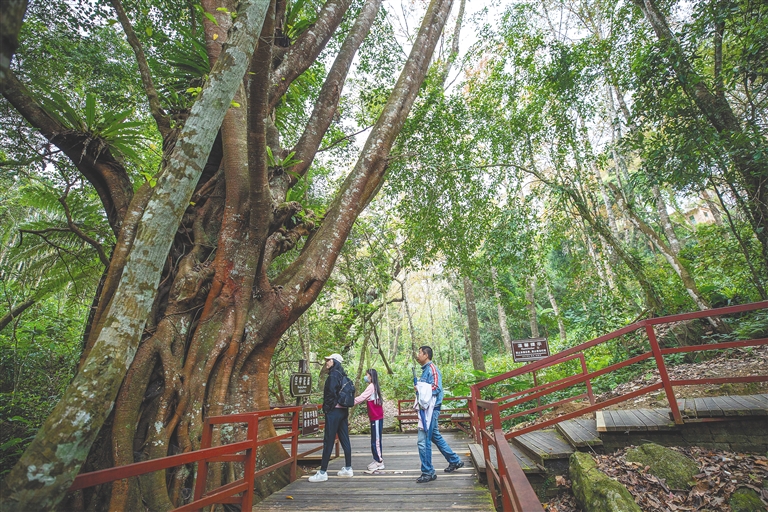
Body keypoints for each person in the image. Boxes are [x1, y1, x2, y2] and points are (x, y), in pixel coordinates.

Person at [414, 345, 464, 483]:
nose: (417, 355)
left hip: (431, 410)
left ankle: (428, 472)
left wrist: (420, 388)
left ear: (426, 355)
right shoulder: (425, 371)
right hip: (427, 409)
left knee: (423, 441)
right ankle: (455, 460)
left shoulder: (432, 370)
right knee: (434, 436)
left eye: (419, 353)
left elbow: (436, 388)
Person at [309, 353, 354, 482]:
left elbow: (329, 393)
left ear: (334, 361)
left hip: (334, 412)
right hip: (343, 411)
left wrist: (327, 409)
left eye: (328, 360)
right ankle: (348, 468)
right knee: (345, 439)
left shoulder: (333, 376)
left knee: (328, 440)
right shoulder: (343, 375)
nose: (327, 362)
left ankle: (323, 472)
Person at [354, 368, 385, 471]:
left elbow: (361, 398)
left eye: (366, 375)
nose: (365, 377)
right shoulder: (374, 386)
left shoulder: (371, 387)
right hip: (375, 417)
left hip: (376, 417)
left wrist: (349, 402)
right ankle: (376, 459)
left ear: (371, 376)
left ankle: (379, 462)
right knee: (375, 439)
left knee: (375, 440)